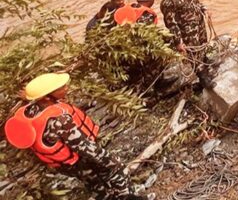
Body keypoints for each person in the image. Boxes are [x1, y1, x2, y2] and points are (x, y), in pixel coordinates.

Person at [4, 73, 144, 200]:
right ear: (47, 97)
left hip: (66, 164)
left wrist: (29, 96)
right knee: (117, 171)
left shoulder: (29, 109)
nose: (66, 87)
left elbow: (34, 104)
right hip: (80, 159)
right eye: (61, 87)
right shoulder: (60, 121)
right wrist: (113, 162)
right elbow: (87, 148)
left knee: (96, 186)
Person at [160, 0, 212, 87]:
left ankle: (203, 63)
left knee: (202, 45)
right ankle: (202, 77)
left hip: (199, 26)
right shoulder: (170, 1)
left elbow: (196, 3)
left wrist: (204, 10)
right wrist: (178, 42)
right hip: (187, 32)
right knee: (193, 53)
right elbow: (171, 24)